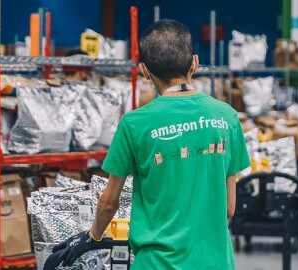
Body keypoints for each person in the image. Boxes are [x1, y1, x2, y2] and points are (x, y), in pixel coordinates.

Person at [44, 19, 250, 269]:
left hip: (156, 263)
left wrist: (92, 236)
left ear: (144, 71)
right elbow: (229, 208)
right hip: (215, 262)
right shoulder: (226, 116)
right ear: (194, 63)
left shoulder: (134, 124)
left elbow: (109, 202)